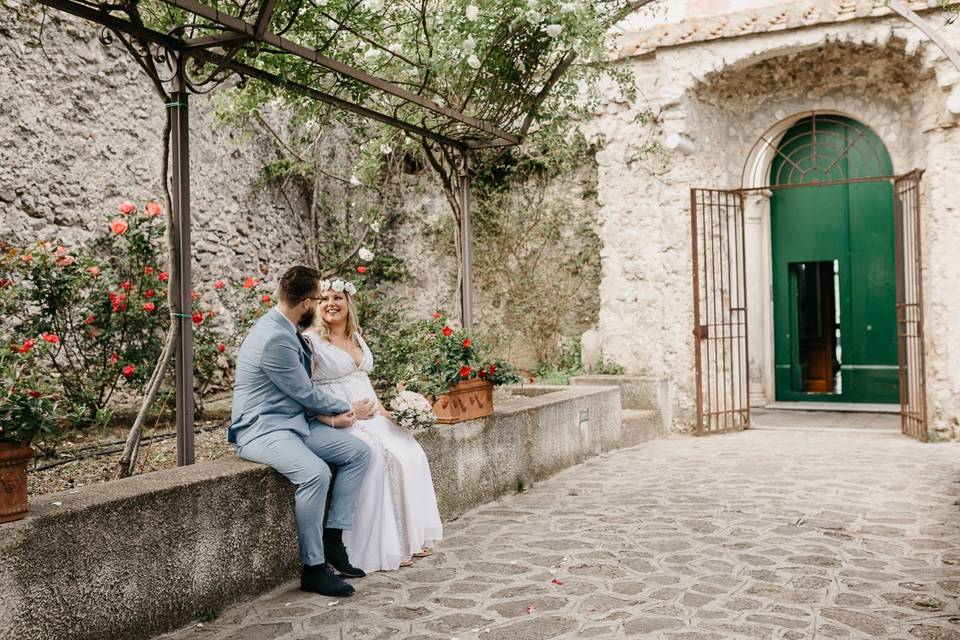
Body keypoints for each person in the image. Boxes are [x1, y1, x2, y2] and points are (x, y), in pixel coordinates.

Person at [229, 265, 371, 598]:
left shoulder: (284, 325)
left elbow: (302, 395)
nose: (322, 304)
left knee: (357, 452)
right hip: (262, 429)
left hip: (294, 423)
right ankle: (313, 568)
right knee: (315, 474)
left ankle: (333, 540)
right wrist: (344, 408)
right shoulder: (274, 337)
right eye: (319, 298)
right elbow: (304, 392)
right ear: (307, 304)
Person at [304, 277, 443, 573]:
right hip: (342, 419)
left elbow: (363, 382)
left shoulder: (358, 338)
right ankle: (380, 547)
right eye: (325, 298)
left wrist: (389, 413)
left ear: (348, 303)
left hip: (372, 415)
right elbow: (306, 391)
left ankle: (410, 538)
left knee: (411, 451)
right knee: (381, 458)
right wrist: (335, 416)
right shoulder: (312, 340)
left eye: (338, 298)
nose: (331, 303)